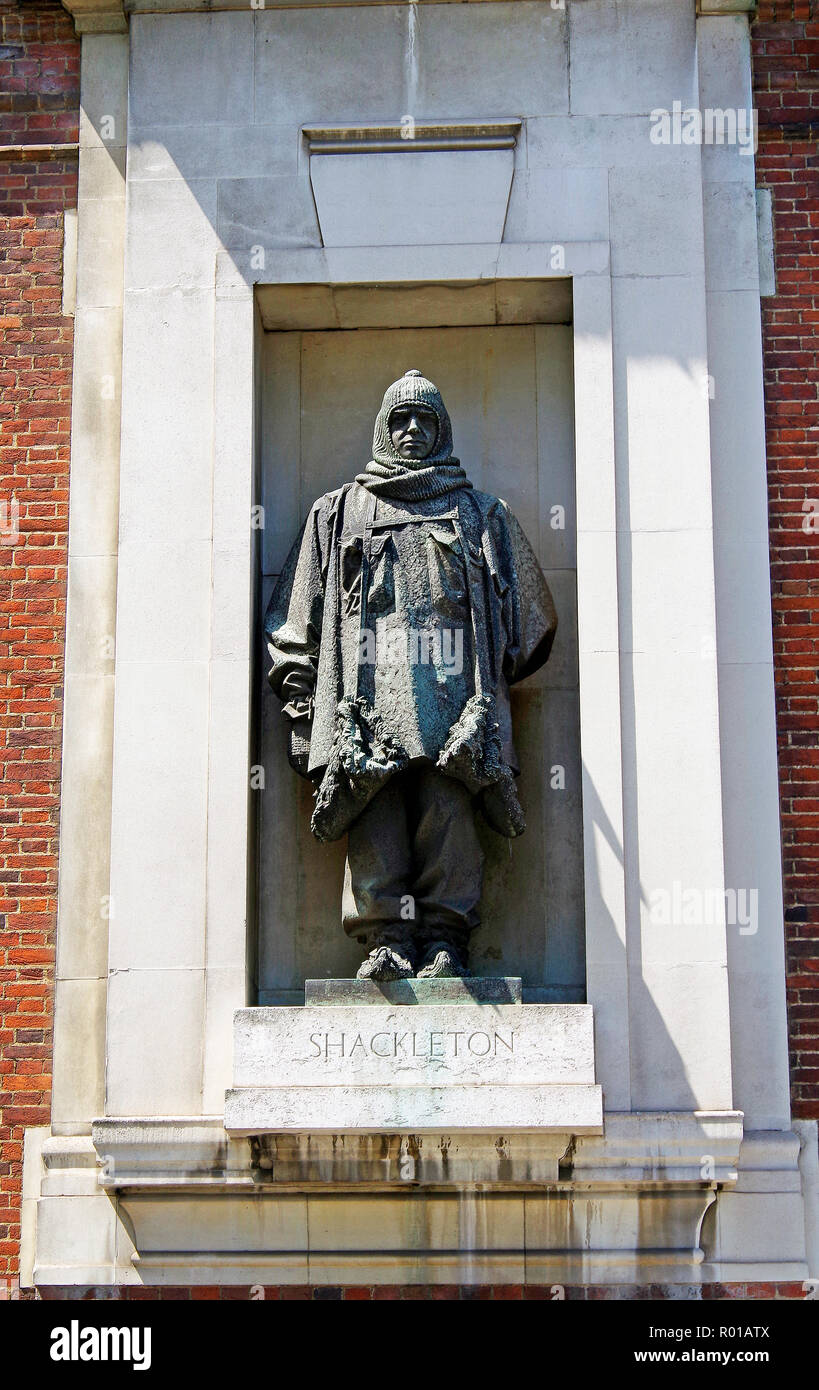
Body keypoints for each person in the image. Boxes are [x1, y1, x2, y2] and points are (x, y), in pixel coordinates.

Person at [264, 369, 557, 981]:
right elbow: (294, 622)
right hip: (365, 712)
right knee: (377, 819)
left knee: (450, 816)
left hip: (454, 710)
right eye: (400, 419)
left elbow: (532, 619)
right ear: (381, 428)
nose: (413, 430)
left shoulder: (480, 515)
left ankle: (446, 940)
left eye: (426, 419)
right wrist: (300, 709)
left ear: (443, 429)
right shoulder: (338, 513)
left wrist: (488, 685)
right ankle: (387, 940)